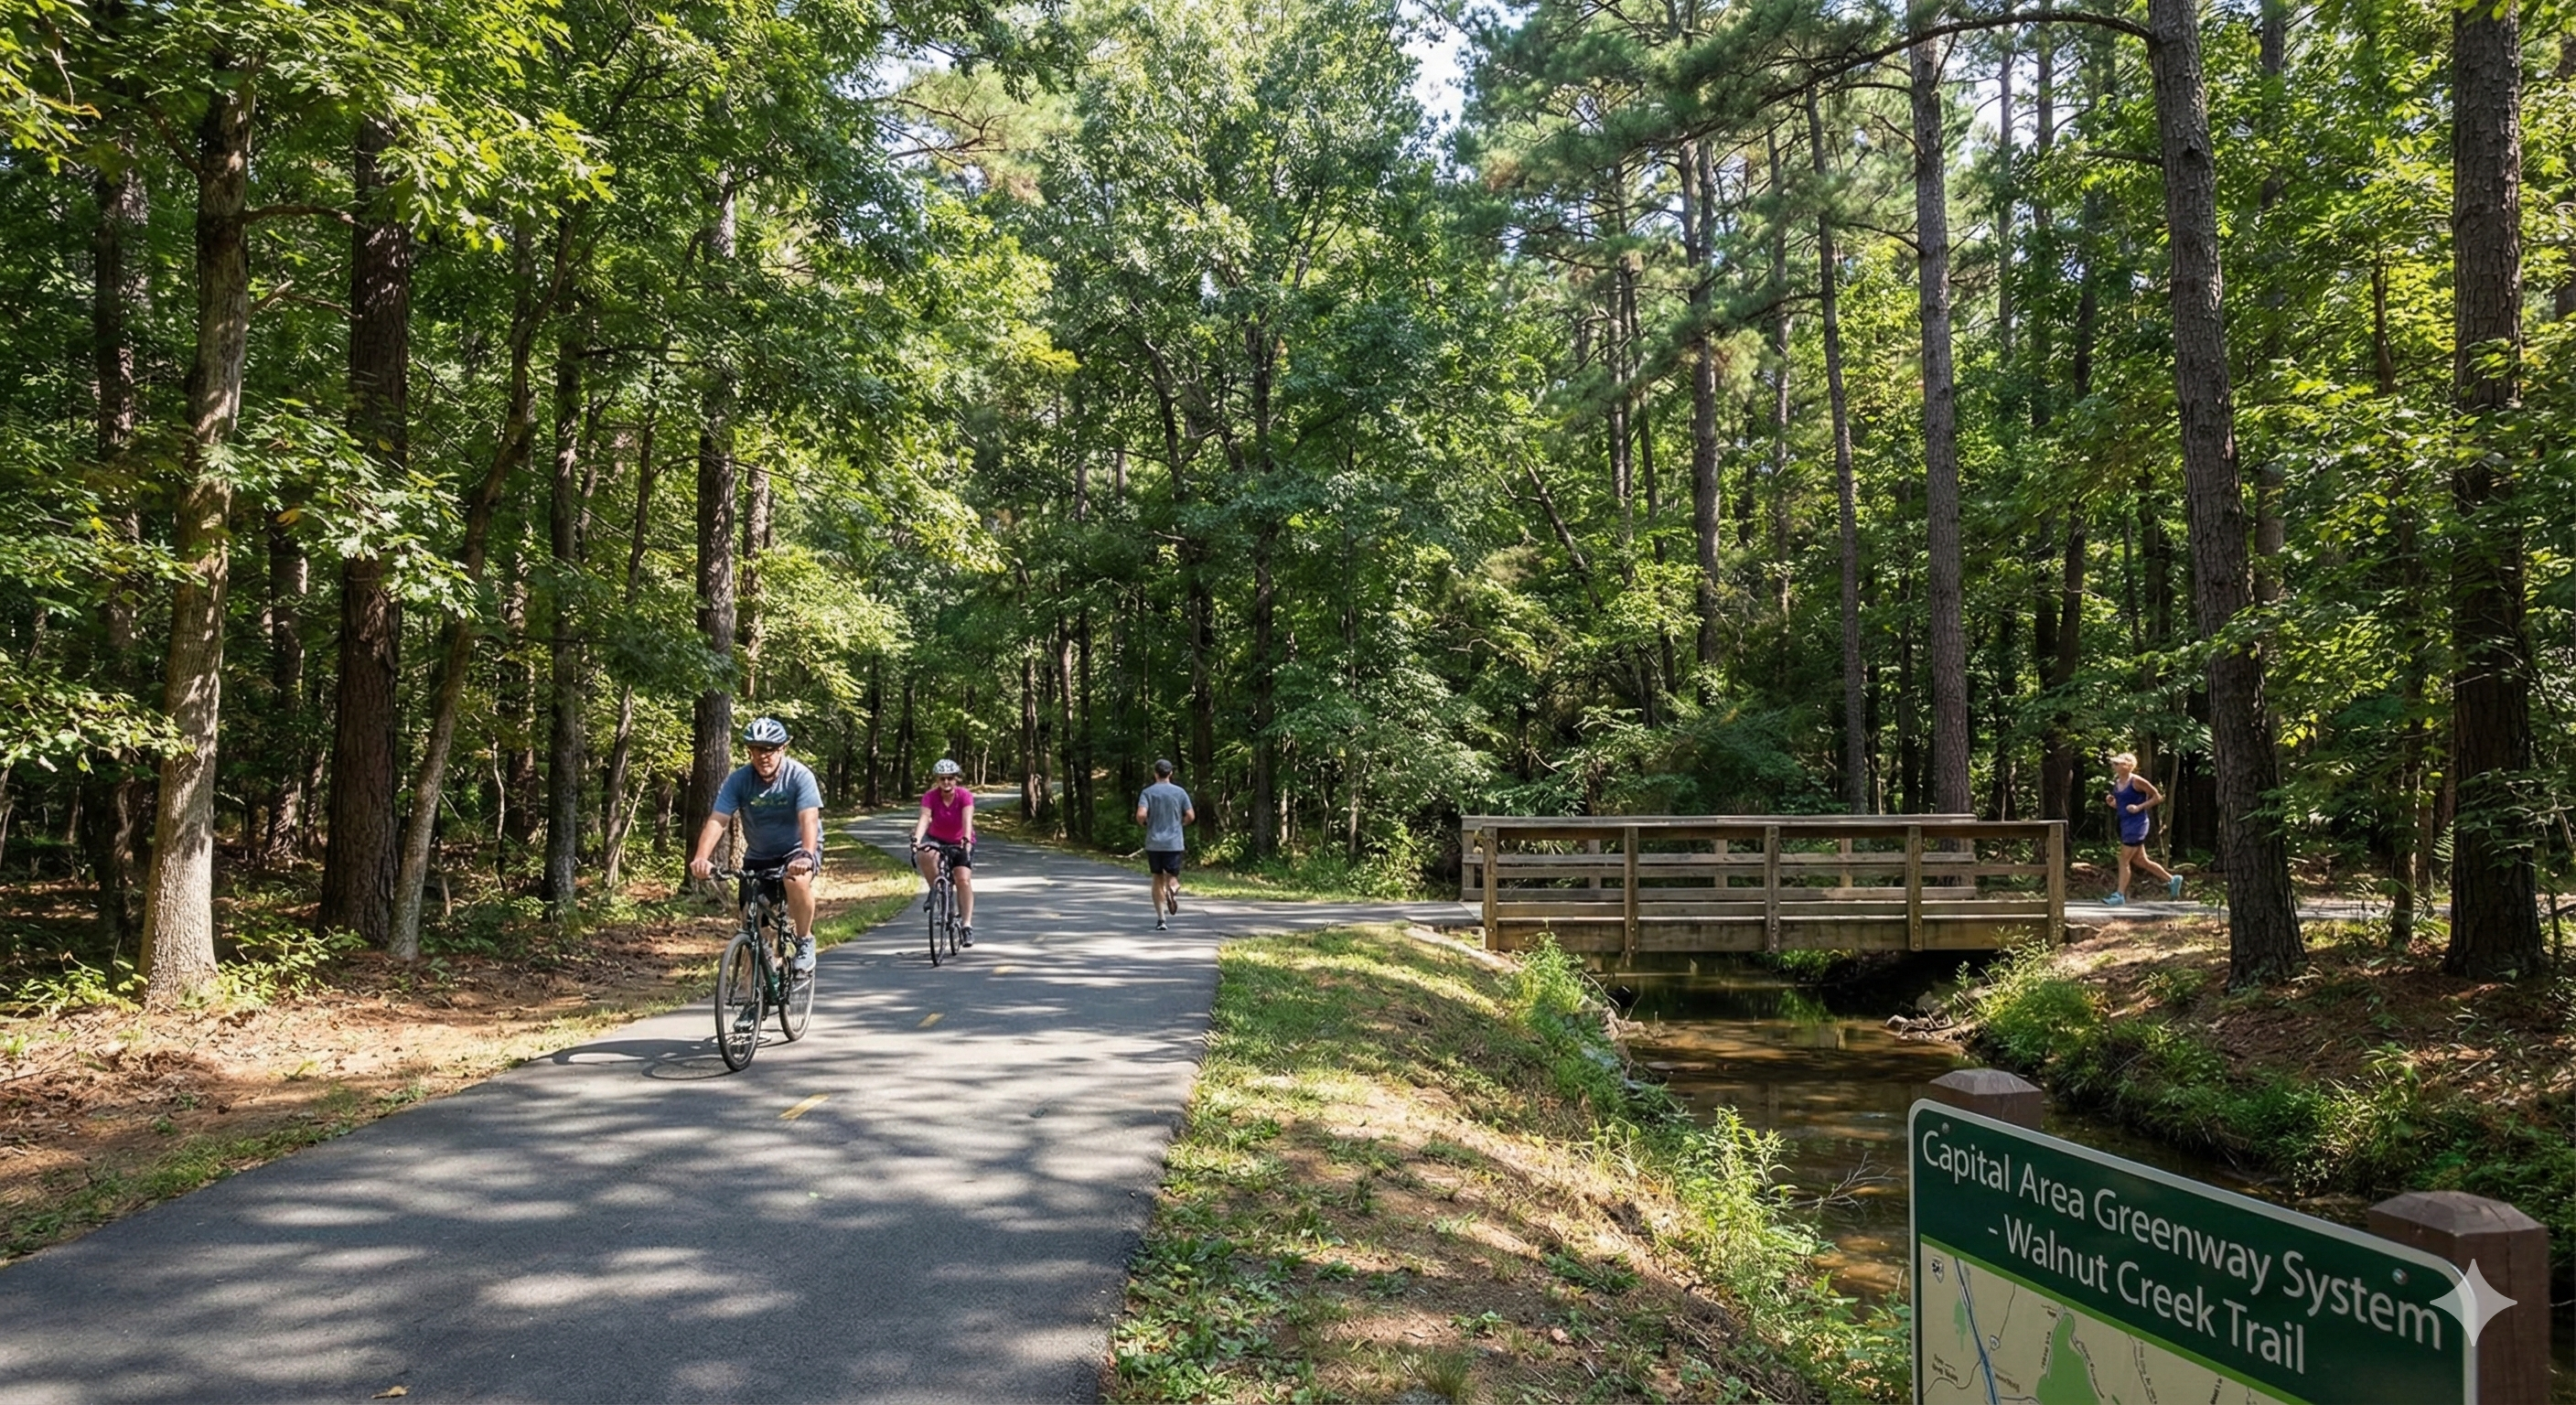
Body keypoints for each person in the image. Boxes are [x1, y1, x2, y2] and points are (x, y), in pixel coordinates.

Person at [688, 716, 823, 974]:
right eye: (756, 749)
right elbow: (718, 819)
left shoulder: (799, 776)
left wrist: (806, 853)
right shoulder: (739, 780)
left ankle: (805, 941)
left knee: (795, 880)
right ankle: (753, 1000)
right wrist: (702, 857)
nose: (762, 756)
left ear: (783, 748)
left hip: (797, 848)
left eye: (769, 749)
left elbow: (809, 817)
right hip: (760, 855)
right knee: (752, 926)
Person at [911, 758, 976, 945]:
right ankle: (937, 891)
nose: (946, 783)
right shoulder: (930, 796)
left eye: (950, 778)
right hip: (937, 838)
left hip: (960, 840)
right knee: (925, 853)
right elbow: (924, 817)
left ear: (956, 779)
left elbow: (967, 819)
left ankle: (966, 925)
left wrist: (965, 840)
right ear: (937, 780)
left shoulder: (964, 795)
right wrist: (917, 840)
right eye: (942, 779)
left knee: (963, 879)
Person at [2103, 751, 2182, 906]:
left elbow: (2157, 797)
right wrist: (2112, 803)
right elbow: (2122, 805)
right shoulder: (2117, 783)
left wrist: (2139, 807)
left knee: (2123, 859)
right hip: (2125, 823)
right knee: (2141, 861)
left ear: (2128, 765)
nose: (2115, 766)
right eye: (2114, 763)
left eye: (2118, 763)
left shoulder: (2137, 781)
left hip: (2137, 824)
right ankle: (2172, 880)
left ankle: (2119, 896)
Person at [1136, 759, 1196, 931]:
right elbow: (1191, 816)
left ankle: (1161, 919)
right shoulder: (1180, 792)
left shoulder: (1148, 792)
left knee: (1157, 878)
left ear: (1155, 773)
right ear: (1170, 773)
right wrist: (1180, 823)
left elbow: (1141, 815)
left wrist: (1146, 823)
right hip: (1174, 842)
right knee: (1172, 876)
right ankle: (1173, 889)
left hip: (1154, 842)